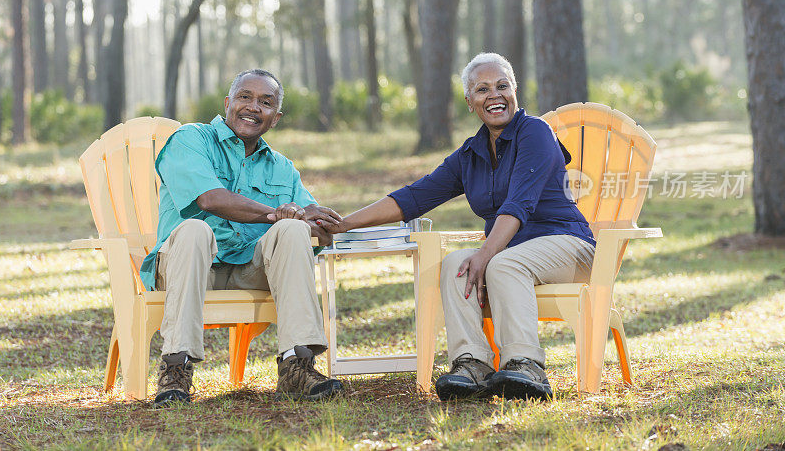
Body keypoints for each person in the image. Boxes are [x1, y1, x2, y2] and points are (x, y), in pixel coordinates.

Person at [328, 53, 596, 401]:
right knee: (456, 264)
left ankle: (526, 364)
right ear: (470, 102)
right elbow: (413, 198)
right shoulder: (471, 154)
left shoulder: (535, 132)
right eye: (482, 89)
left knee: (500, 262)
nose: (494, 95)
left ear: (515, 91)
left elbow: (519, 204)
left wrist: (486, 253)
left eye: (502, 86)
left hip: (568, 247)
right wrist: (343, 224)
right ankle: (472, 364)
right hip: (513, 253)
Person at [139, 69, 344, 406]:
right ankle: (176, 368)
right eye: (245, 97)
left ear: (275, 118)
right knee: (194, 228)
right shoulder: (191, 139)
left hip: (250, 270)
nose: (253, 107)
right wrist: (274, 213)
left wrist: (315, 223)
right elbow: (209, 199)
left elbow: (313, 224)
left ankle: (297, 365)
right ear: (228, 102)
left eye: (265, 102)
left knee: (292, 229)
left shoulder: (282, 168)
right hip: (187, 270)